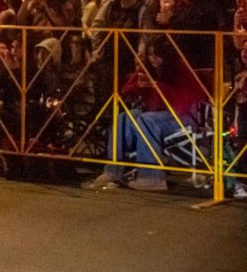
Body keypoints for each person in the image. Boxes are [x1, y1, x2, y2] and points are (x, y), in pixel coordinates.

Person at [84, 37, 207, 192]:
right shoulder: (149, 69)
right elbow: (126, 92)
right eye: (149, 55)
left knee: (146, 120)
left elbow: (184, 101)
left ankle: (152, 177)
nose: (152, 59)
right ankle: (113, 171)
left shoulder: (180, 70)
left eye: (156, 55)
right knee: (123, 118)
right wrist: (138, 85)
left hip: (182, 116)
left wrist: (157, 86)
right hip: (157, 113)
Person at [155, 0, 223, 71]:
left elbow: (196, 29)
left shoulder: (208, 8)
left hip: (198, 61)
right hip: (180, 59)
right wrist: (166, 12)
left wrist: (172, 20)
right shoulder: (184, 8)